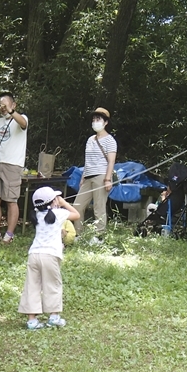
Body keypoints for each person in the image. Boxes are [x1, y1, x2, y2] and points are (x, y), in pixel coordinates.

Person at [18, 187, 80, 330]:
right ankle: (53, 317)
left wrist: (54, 202)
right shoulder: (58, 213)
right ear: (53, 201)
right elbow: (76, 214)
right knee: (53, 284)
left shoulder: (37, 214)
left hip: (34, 254)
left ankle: (32, 321)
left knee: (32, 286)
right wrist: (63, 202)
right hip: (50, 255)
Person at [0, 92, 28, 243]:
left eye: (5, 104)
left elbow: (23, 123)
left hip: (13, 164)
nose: (2, 108)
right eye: (0, 105)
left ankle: (9, 234)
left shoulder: (21, 118)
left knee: (11, 200)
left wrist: (11, 111)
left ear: (13, 104)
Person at [72, 107, 117, 240]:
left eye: (98, 119)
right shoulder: (90, 139)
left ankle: (99, 236)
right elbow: (88, 160)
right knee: (77, 206)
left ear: (105, 122)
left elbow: (111, 161)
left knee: (99, 207)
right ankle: (78, 234)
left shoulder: (110, 140)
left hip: (101, 176)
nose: (95, 122)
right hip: (88, 177)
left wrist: (108, 179)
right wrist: (83, 176)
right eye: (94, 119)